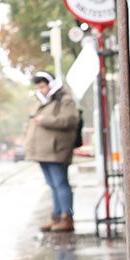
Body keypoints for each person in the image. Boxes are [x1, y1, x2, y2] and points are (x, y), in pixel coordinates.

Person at [23, 70, 85, 230]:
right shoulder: (41, 102)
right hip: (42, 152)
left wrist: (45, 120)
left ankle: (67, 217)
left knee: (61, 183)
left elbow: (69, 120)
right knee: (52, 184)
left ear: (51, 84)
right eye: (39, 87)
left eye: (44, 86)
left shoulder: (65, 99)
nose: (42, 89)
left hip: (56, 150)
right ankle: (56, 216)